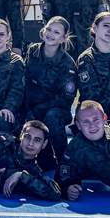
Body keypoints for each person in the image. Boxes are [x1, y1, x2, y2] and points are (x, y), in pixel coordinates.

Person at [23, 16, 77, 170]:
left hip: (56, 110)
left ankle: (64, 164)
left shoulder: (67, 63)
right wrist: (27, 109)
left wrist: (38, 109)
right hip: (32, 106)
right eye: (49, 29)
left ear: (64, 38)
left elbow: (65, 98)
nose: (51, 34)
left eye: (56, 32)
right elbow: (25, 82)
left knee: (52, 116)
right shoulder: (33, 51)